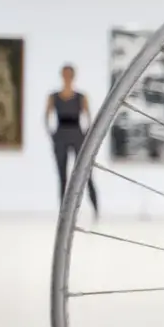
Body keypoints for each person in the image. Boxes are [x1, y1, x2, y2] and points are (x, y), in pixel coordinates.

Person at [45, 64, 99, 217]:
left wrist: (85, 134)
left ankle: (95, 209)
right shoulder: (54, 96)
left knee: (85, 173)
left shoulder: (81, 97)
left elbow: (89, 118)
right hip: (61, 135)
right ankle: (64, 211)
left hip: (77, 135)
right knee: (62, 175)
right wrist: (52, 134)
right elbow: (46, 116)